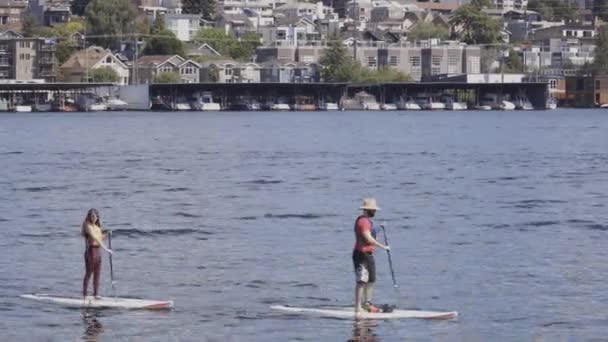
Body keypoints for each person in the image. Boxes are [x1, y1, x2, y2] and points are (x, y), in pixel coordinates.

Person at [353, 198, 389, 313]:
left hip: (368, 254)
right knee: (362, 280)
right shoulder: (363, 221)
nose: (375, 212)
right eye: (373, 210)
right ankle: (358, 307)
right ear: (368, 210)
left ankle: (367, 304)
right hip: (361, 254)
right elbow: (368, 237)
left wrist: (380, 227)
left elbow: (371, 232)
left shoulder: (368, 221)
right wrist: (383, 247)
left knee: (371, 279)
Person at [81, 208, 112, 299]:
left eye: (95, 216)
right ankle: (85, 294)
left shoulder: (97, 227)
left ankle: (96, 294)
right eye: (92, 216)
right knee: (89, 273)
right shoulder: (87, 226)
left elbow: (100, 238)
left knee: (98, 273)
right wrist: (106, 249)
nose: (94, 218)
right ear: (89, 217)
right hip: (91, 251)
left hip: (98, 251)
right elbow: (95, 238)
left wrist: (107, 234)